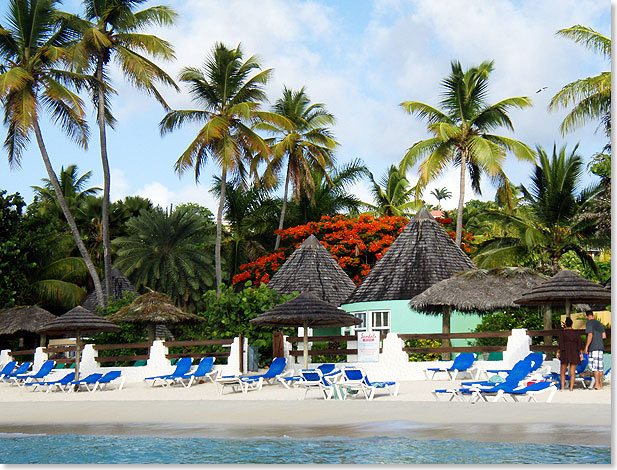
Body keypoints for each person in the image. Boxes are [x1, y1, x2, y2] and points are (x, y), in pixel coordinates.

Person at [556, 317, 583, 391]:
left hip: (565, 352)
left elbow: (561, 344)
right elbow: (579, 344)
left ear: (565, 324)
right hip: (574, 352)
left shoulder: (563, 333)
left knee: (562, 372)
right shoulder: (576, 333)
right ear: (572, 324)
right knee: (572, 372)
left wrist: (558, 352)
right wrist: (581, 354)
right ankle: (571, 388)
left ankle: (562, 388)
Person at [584, 311, 606, 390]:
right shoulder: (600, 324)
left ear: (587, 316)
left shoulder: (589, 323)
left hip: (593, 347)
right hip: (600, 346)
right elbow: (604, 336)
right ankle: (601, 384)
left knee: (595, 367)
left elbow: (590, 335)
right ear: (593, 315)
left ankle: (596, 384)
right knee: (600, 367)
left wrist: (586, 346)